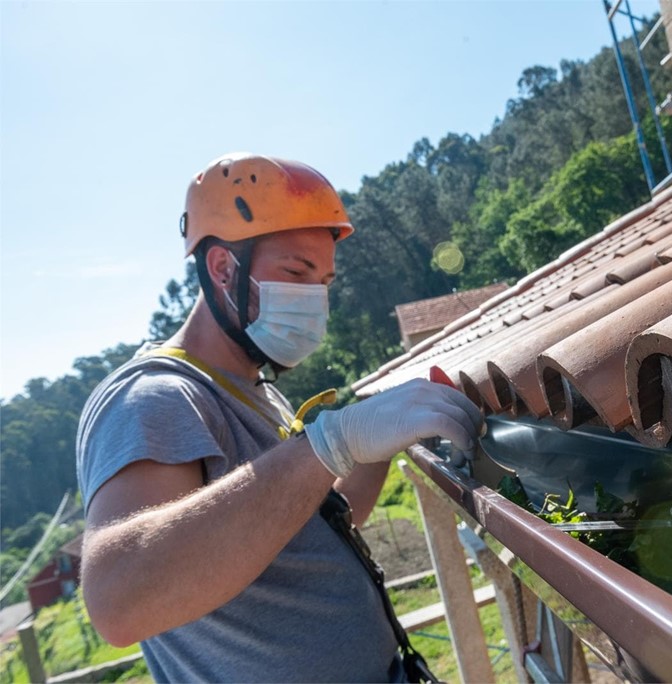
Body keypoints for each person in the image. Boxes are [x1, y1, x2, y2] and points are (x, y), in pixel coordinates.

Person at [75, 152, 483, 682]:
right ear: (222, 268)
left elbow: (307, 527)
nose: (315, 297)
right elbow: (119, 601)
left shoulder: (256, 392)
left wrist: (377, 439)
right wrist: (329, 443)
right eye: (296, 272)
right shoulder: (155, 397)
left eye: (325, 281)